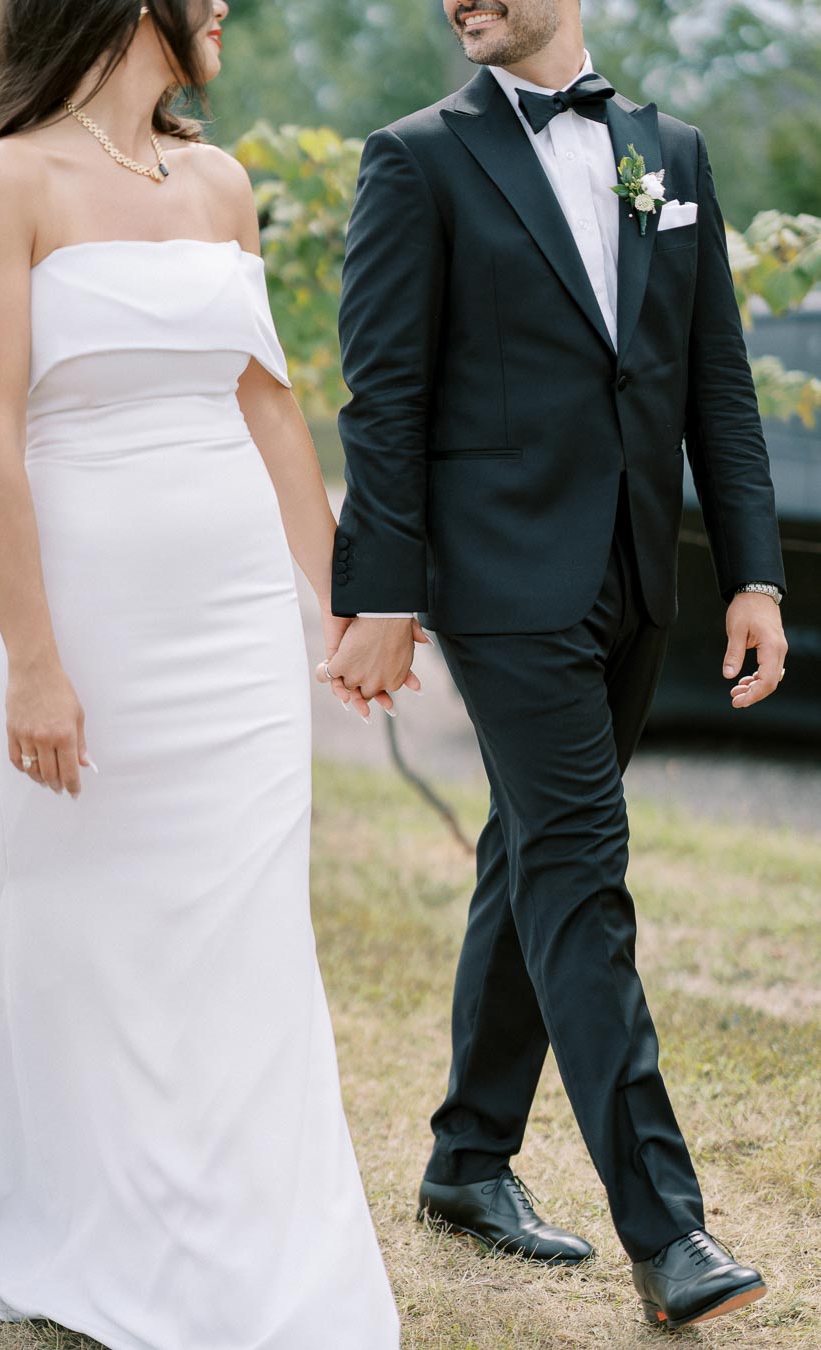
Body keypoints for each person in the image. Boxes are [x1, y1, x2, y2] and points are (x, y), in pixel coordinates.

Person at [0, 2, 403, 1346]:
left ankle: (242, 1228)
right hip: (93, 605)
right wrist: (32, 664)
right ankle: (79, 1193)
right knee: (81, 905)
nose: (224, 13)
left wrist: (342, 597)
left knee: (242, 916)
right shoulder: (6, 179)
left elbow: (265, 398)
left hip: (235, 614)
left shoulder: (220, 180)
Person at [322, 0, 788, 1332]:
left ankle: (469, 1156)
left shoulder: (672, 156)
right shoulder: (416, 159)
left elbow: (719, 381)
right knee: (583, 868)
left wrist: (753, 576)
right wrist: (383, 593)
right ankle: (671, 1230)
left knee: (525, 850)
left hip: (637, 573)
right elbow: (385, 394)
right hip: (500, 585)